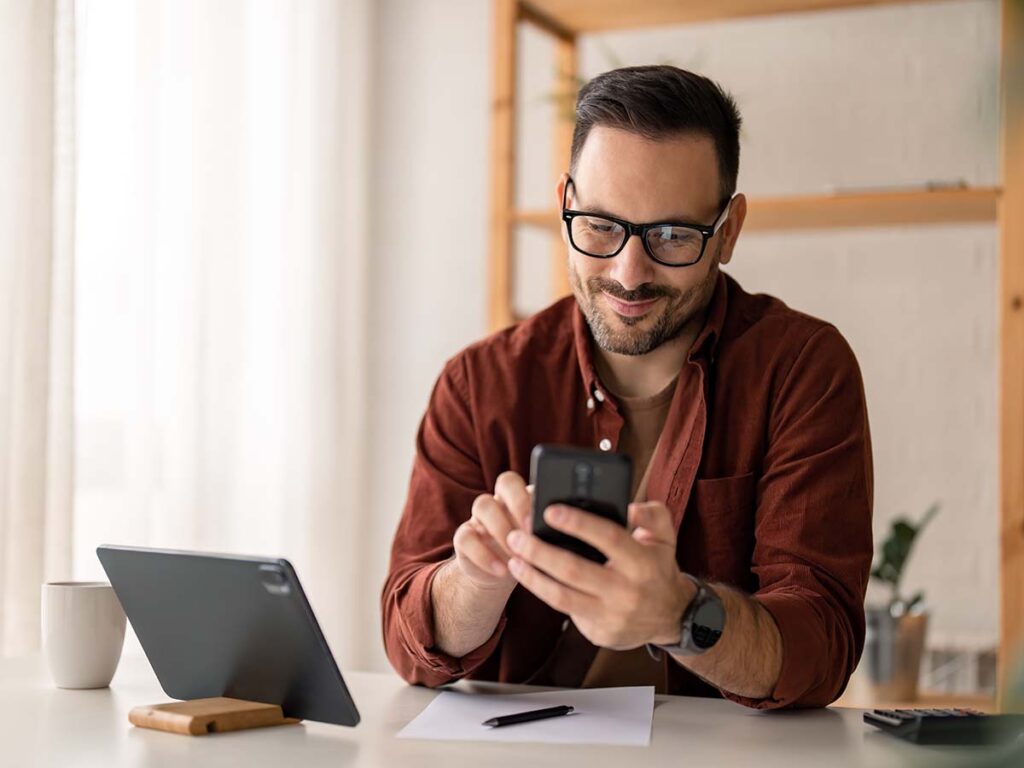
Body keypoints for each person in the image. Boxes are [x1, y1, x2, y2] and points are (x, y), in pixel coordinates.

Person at [381, 65, 872, 709]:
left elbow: (822, 644)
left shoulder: (802, 371)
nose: (628, 273)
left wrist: (682, 614)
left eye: (672, 235)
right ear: (565, 202)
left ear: (727, 231)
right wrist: (472, 583)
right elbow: (406, 641)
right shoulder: (479, 385)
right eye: (601, 225)